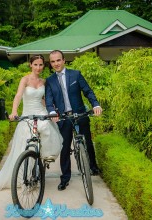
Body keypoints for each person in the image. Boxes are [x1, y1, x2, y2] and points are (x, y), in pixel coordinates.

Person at [0, 54, 63, 190]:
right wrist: (14, 111)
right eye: (35, 64)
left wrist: (52, 110)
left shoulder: (44, 81)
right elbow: (18, 95)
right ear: (30, 65)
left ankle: (45, 158)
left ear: (43, 65)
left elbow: (43, 100)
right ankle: (24, 173)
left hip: (41, 112)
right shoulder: (24, 79)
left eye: (41, 64)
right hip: (28, 114)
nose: (38, 67)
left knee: (47, 128)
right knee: (25, 144)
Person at [45, 50, 102, 191]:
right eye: (53, 61)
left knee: (87, 143)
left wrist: (95, 104)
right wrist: (52, 112)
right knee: (64, 149)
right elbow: (48, 100)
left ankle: (93, 168)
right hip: (63, 118)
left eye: (58, 60)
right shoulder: (50, 80)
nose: (56, 63)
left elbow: (87, 91)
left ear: (64, 60)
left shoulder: (75, 74)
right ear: (51, 64)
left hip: (80, 114)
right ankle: (65, 178)